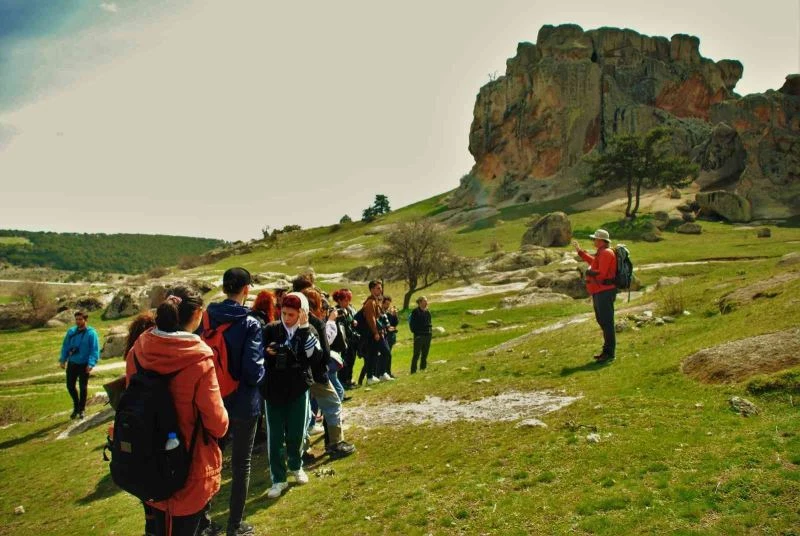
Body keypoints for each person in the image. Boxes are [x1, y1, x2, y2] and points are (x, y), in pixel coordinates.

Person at [126, 286, 229, 536]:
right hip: (188, 467)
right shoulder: (198, 358)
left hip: (147, 458)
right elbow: (217, 423)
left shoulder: (139, 349)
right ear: (197, 314)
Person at [203, 268, 265, 536]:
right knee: (241, 465)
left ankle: (204, 523)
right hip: (243, 403)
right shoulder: (250, 323)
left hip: (213, 399)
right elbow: (253, 371)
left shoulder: (207, 317)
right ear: (246, 289)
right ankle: (235, 525)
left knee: (209, 462)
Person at [260, 292, 321, 499]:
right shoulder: (270, 329)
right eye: (284, 313)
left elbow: (315, 357)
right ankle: (278, 478)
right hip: (273, 390)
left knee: (297, 432)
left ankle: (296, 465)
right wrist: (266, 353)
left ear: (302, 313)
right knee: (275, 436)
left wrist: (303, 331)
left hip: (298, 389)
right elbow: (257, 354)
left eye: (291, 314)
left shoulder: (309, 330)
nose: (286, 318)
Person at [301, 289, 356, 459]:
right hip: (316, 374)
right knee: (333, 404)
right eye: (321, 302)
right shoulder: (314, 323)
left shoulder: (292, 321)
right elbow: (323, 349)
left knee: (303, 412)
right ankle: (335, 444)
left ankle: (301, 451)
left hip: (301, 375)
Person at [573, 229, 618, 362]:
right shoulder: (602, 253)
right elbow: (594, 263)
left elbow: (602, 273)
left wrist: (588, 272)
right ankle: (606, 351)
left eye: (595, 239)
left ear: (601, 241)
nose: (593, 241)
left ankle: (609, 353)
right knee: (603, 321)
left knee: (607, 322)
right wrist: (580, 252)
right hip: (599, 291)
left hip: (604, 291)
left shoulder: (606, 253)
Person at [59, 310, 100, 419]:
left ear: (85, 320)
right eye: (76, 319)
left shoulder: (92, 333)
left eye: (80, 319)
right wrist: (63, 360)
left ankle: (81, 409)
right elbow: (65, 346)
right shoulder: (71, 332)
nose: (78, 321)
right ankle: (76, 406)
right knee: (70, 386)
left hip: (84, 364)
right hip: (72, 363)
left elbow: (94, 350)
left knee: (83, 387)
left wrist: (91, 364)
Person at [359, 280, 392, 384]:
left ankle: (370, 377)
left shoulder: (376, 301)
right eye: (378, 288)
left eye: (380, 287)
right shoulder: (370, 302)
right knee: (386, 352)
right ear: (372, 289)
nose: (380, 289)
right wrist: (376, 332)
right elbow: (371, 319)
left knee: (372, 355)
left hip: (376, 333)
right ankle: (381, 374)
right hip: (374, 334)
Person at [409, 296, 432, 374]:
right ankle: (413, 371)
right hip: (419, 336)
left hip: (427, 335)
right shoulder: (415, 312)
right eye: (424, 301)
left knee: (425, 353)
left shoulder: (427, 311)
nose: (426, 302)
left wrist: (430, 333)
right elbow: (412, 325)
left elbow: (429, 323)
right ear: (420, 302)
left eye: (426, 301)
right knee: (416, 354)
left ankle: (423, 368)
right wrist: (417, 333)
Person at [381, 296, 399, 378]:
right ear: (382, 303)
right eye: (386, 304)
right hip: (384, 337)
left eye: (389, 304)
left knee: (388, 355)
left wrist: (395, 315)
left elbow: (394, 324)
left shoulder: (389, 313)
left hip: (390, 338)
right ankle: (383, 373)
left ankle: (388, 372)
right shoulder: (381, 312)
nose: (388, 305)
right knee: (385, 356)